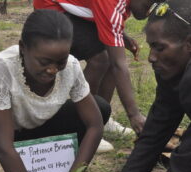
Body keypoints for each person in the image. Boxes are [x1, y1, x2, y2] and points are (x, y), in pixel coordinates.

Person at [0, 9, 111, 172]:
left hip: (37, 126)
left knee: (99, 108)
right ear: (22, 49)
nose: (52, 70)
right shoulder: (2, 66)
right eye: (44, 62)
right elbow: (3, 144)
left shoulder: (71, 66)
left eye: (60, 62)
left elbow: (94, 126)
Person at [33, 0, 166, 138]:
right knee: (101, 59)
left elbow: (104, 16)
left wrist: (122, 36)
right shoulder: (111, 2)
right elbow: (118, 65)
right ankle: (84, 124)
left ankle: (102, 118)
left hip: (74, 9)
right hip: (51, 7)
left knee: (111, 53)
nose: (150, 10)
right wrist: (134, 115)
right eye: (148, 5)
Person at [111, 0, 191, 172]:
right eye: (150, 47)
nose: (151, 57)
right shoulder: (172, 69)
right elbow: (156, 131)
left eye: (160, 48)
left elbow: (186, 165)